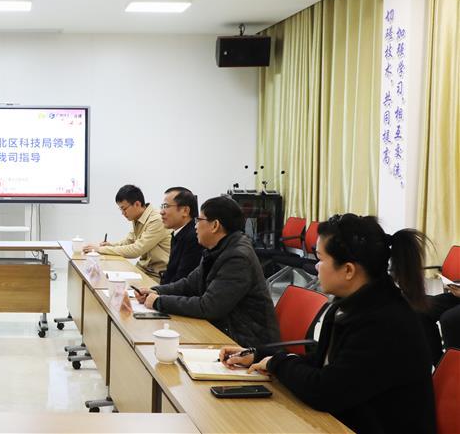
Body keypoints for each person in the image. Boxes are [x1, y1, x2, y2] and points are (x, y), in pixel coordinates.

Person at [219, 214, 436, 434]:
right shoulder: (354, 305)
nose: (316, 267)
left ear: (348, 270)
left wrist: (277, 363)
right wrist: (260, 355)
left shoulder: (385, 322)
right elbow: (325, 364)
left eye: (321, 259)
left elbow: (325, 391)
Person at [136, 196, 279, 347]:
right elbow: (189, 284)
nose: (195, 226)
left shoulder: (237, 258)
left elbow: (209, 307)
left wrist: (159, 302)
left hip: (247, 342)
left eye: (199, 220)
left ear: (215, 225)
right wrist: (156, 291)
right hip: (227, 328)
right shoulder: (218, 248)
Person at [84, 184, 171, 279]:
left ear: (137, 204)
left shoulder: (157, 220)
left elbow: (136, 250)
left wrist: (99, 249)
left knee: (111, 282)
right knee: (106, 277)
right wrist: (110, 246)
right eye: (120, 209)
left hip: (157, 276)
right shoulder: (138, 218)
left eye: (124, 208)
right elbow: (128, 242)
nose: (122, 213)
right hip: (143, 270)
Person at [158, 186, 203, 285]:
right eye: (162, 206)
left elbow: (183, 280)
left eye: (166, 206)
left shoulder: (194, 237)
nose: (161, 212)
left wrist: (158, 292)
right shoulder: (178, 233)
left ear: (185, 211)